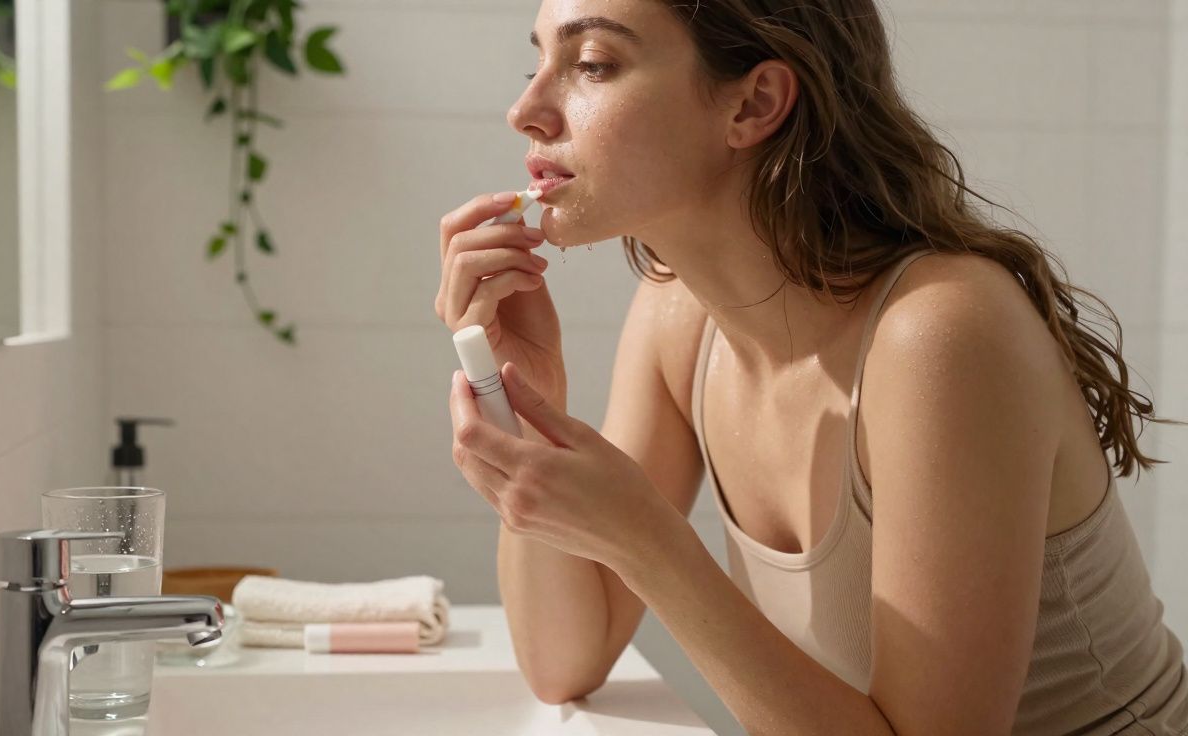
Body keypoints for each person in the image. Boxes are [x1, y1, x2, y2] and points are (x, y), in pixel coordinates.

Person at [434, 1, 1187, 733]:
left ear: (754, 102)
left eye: (593, 64)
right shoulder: (678, 316)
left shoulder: (939, 336)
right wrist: (524, 403)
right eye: (539, 58)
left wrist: (651, 542)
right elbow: (564, 659)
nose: (526, 108)